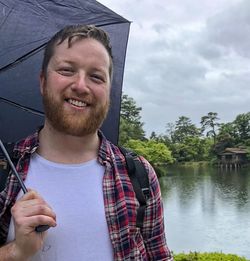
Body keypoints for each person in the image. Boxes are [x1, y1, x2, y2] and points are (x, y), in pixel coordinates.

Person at [0, 24, 173, 260]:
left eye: (96, 76)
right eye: (66, 70)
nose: (81, 86)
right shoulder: (4, 171)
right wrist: (15, 251)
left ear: (108, 91)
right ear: (42, 82)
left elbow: (160, 256)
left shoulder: (138, 174)